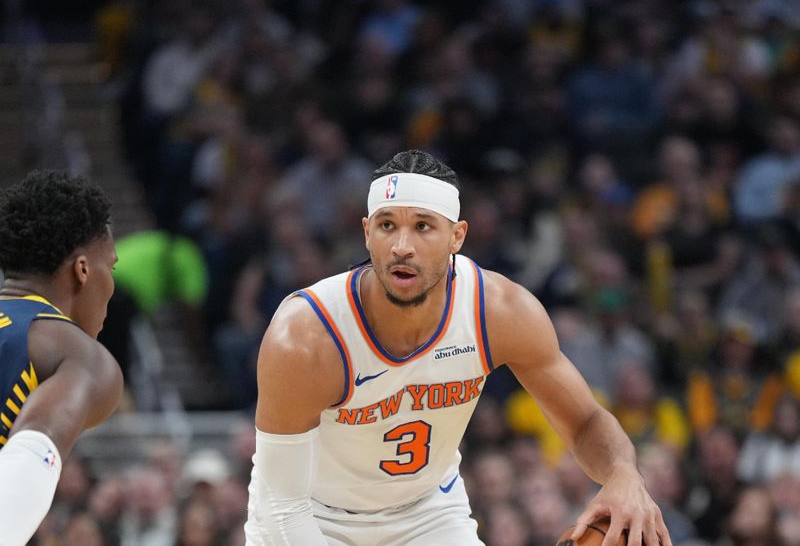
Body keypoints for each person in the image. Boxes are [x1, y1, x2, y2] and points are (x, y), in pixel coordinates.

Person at [245, 150, 671, 546]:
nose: (402, 246)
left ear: (457, 236)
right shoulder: (305, 337)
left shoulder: (499, 312)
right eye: (387, 225)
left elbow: (585, 422)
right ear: (366, 234)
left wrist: (623, 473)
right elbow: (283, 507)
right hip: (310, 517)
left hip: (427, 512)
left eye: (423, 226)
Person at [0, 170, 124, 545]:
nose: (113, 285)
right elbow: (33, 453)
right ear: (83, 270)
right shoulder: (80, 356)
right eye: (112, 267)